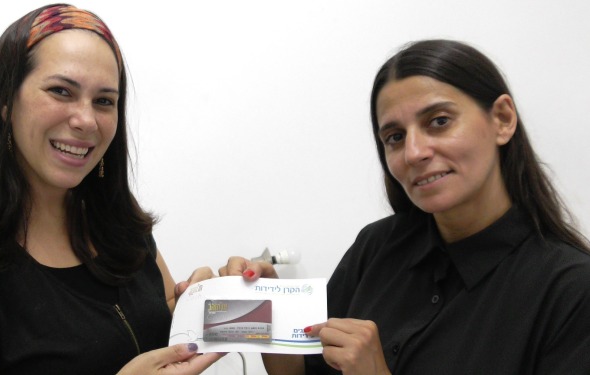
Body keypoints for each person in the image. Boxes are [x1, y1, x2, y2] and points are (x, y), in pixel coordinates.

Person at [0, 4, 221, 374]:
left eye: (104, 101)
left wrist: (206, 306)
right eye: (61, 91)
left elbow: (147, 336)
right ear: (5, 102)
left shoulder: (122, 231)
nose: (86, 120)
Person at [220, 39, 590, 374]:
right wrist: (269, 313)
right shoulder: (377, 246)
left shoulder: (571, 290)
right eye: (395, 137)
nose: (414, 153)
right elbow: (303, 371)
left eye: (439, 122)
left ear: (503, 119)